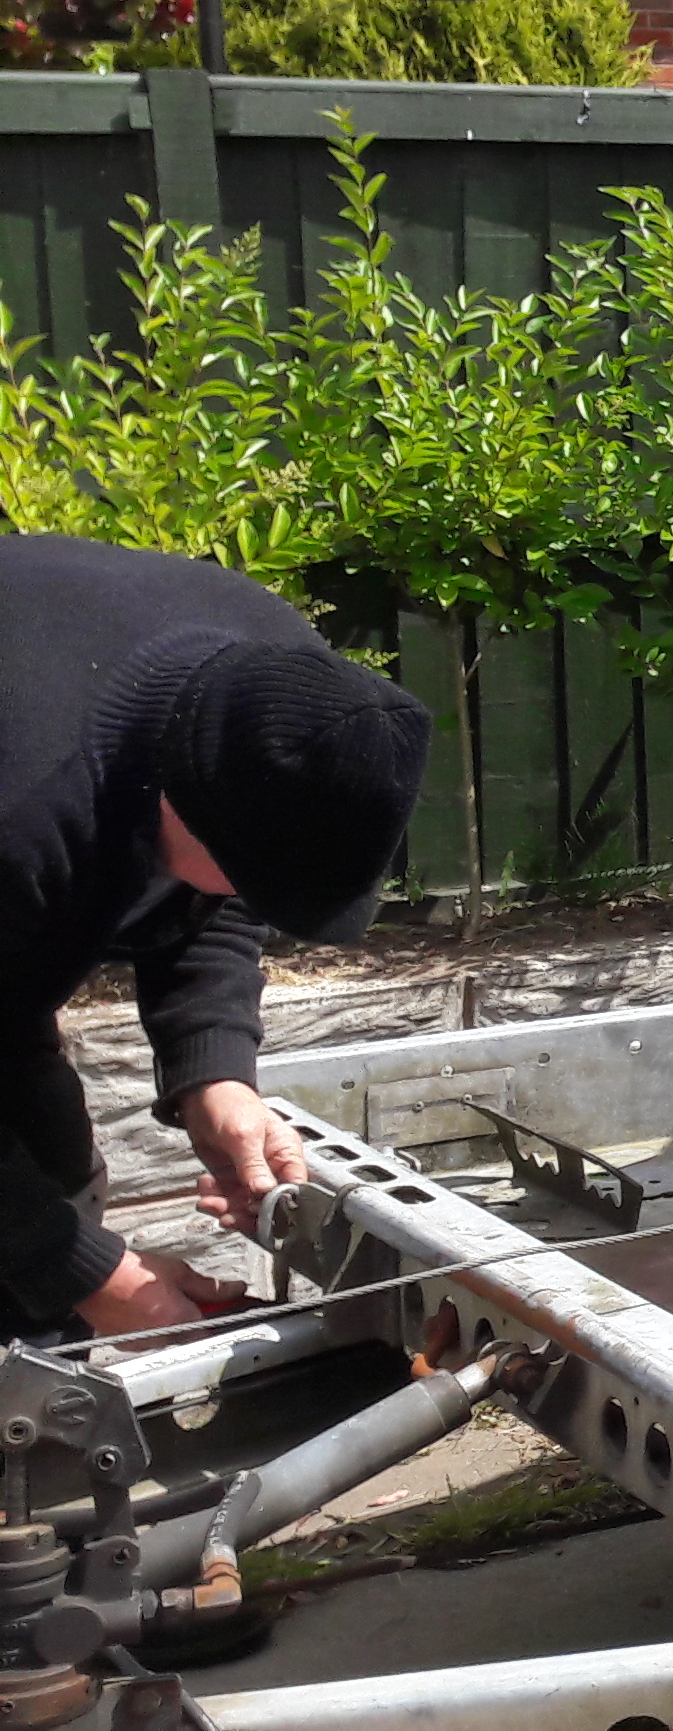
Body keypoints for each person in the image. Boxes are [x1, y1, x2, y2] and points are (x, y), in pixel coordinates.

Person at [0, 533, 432, 1341]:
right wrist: (86, 1272)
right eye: (246, 877)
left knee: (50, 1185)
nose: (247, 901)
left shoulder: (287, 700)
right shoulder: (26, 806)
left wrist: (217, 1076)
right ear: (179, 799)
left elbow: (220, 895)